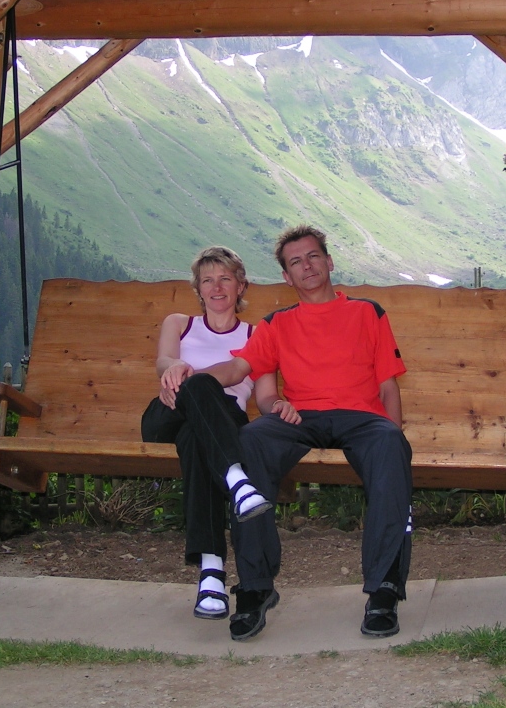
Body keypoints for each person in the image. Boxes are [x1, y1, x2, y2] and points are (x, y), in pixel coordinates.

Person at [163, 226, 413, 641]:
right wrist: (193, 379)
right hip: (301, 417)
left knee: (390, 444)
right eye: (296, 261)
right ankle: (256, 588)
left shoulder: (368, 312)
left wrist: (395, 434)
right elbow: (238, 369)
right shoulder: (277, 323)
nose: (307, 266)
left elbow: (388, 386)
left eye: (313, 256)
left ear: (329, 262)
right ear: (286, 275)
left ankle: (384, 591)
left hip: (361, 417)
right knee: (250, 441)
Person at [141, 246, 272, 621]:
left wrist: (280, 407)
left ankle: (211, 572)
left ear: (240, 285)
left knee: (197, 437)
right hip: (168, 412)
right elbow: (163, 360)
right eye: (208, 280)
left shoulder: (256, 334)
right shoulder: (179, 323)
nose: (216, 287)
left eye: (225, 278)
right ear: (198, 288)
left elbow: (265, 397)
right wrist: (176, 367)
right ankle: (237, 481)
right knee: (195, 392)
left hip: (223, 423)